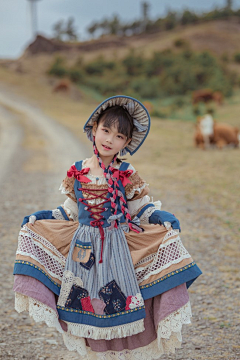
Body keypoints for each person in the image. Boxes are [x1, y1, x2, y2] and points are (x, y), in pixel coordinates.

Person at [13, 95, 202, 359]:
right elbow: (69, 210)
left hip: (117, 248)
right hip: (83, 247)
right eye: (106, 130)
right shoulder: (77, 171)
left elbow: (139, 208)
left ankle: (120, 353)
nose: (110, 139)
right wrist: (44, 216)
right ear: (94, 129)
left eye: (119, 136)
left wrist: (160, 217)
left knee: (118, 301)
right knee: (85, 302)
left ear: (126, 143)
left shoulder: (125, 172)